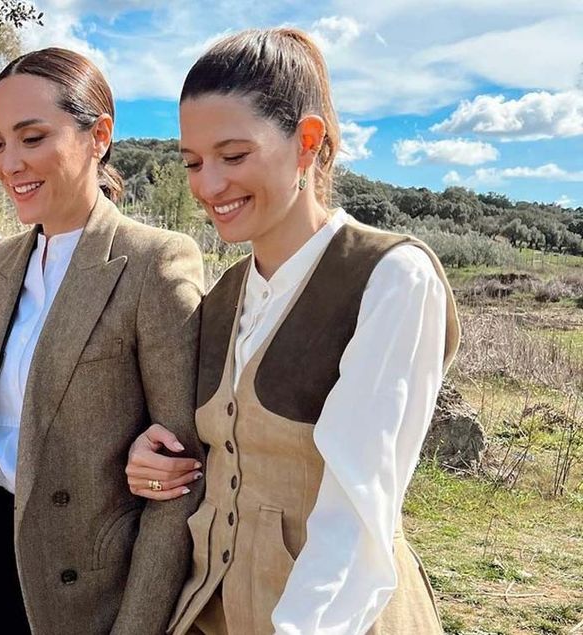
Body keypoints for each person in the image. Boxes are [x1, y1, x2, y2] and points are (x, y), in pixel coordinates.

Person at [125, 28, 461, 635]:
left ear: (307, 143)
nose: (208, 186)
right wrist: (151, 454)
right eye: (194, 163)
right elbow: (222, 448)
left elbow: (356, 511)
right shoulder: (225, 294)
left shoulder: (389, 278)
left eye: (233, 156)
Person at [0, 47, 205, 635]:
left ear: (98, 135)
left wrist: (137, 626)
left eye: (32, 137)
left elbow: (179, 481)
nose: (10, 163)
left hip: (86, 588)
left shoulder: (154, 263)